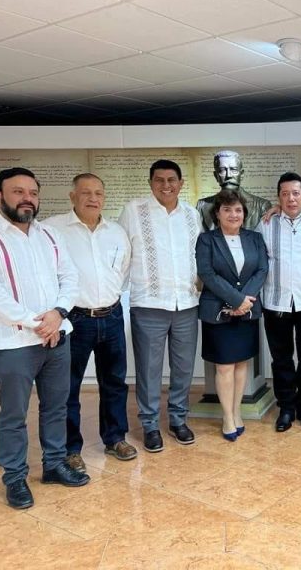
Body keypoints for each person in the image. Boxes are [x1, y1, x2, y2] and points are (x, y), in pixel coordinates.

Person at [0, 167, 88, 510]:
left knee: (56, 406)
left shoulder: (50, 235)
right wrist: (37, 322)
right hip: (13, 342)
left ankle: (53, 464)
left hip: (57, 336)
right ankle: (14, 477)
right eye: (18, 191)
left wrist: (58, 313)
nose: (27, 198)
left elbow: (70, 277)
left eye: (33, 193)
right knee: (13, 414)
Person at [44, 174, 136, 472]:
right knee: (68, 387)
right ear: (73, 196)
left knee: (114, 382)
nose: (92, 198)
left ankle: (115, 438)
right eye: (85, 193)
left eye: (98, 193)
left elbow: (123, 272)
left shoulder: (117, 232)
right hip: (75, 319)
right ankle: (71, 449)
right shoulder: (52, 229)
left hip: (112, 315)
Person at [118, 160, 201, 453]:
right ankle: (150, 424)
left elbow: (198, 254)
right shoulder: (133, 211)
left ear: (181, 183)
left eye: (171, 180)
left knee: (183, 367)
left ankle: (178, 419)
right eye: (159, 180)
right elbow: (120, 252)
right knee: (149, 369)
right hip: (149, 304)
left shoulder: (191, 214)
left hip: (186, 304)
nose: (166, 185)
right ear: (151, 182)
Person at [257, 172, 301, 432]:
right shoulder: (265, 225)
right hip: (276, 303)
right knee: (281, 360)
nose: (291, 199)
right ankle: (286, 408)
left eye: (296, 193)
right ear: (278, 197)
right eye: (285, 194)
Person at [196, 190, 268, 440]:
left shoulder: (255, 238)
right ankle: (227, 417)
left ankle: (237, 412)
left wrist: (245, 301)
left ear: (244, 214)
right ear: (217, 214)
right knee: (224, 366)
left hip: (247, 311)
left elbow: (262, 269)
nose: (233, 214)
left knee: (241, 364)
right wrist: (237, 300)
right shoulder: (207, 240)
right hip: (218, 312)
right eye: (227, 210)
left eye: (238, 210)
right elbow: (207, 273)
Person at [197, 150, 272, 232]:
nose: (228, 175)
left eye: (234, 170)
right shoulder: (202, 206)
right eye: (222, 170)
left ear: (241, 174)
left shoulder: (261, 206)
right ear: (216, 176)